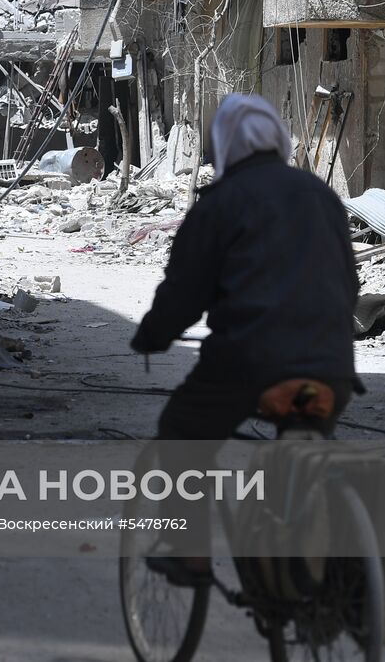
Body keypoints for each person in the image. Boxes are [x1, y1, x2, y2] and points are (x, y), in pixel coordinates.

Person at [130, 93, 360, 585]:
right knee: (303, 446)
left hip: (249, 368)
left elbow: (184, 294)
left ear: (224, 147)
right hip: (330, 372)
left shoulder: (220, 203)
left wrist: (152, 336)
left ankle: (188, 553)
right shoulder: (322, 197)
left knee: (182, 431)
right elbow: (349, 285)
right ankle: (302, 569)